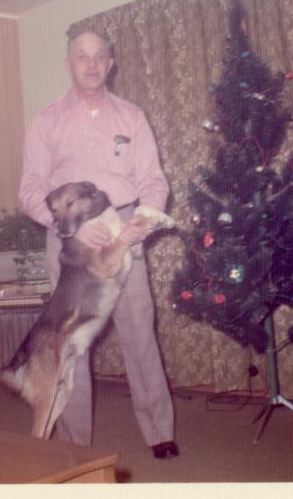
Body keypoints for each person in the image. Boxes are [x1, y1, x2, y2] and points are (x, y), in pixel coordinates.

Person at [18, 30, 179, 459]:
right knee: (69, 343)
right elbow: (30, 188)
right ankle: (76, 445)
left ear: (110, 63)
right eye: (81, 57)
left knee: (139, 330)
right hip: (70, 237)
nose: (90, 64)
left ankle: (160, 432)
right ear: (68, 63)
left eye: (99, 57)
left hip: (123, 226)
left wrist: (143, 219)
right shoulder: (47, 120)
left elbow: (152, 180)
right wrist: (64, 224)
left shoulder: (132, 116)